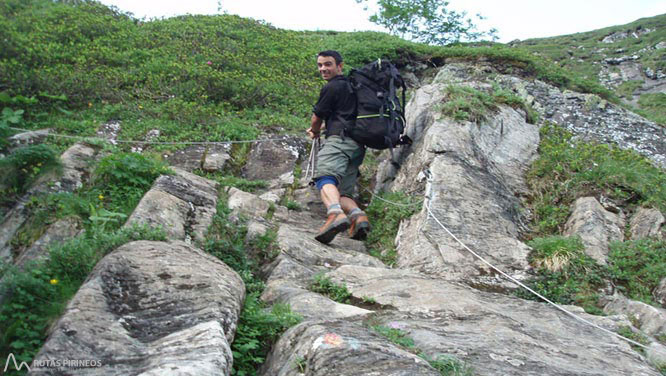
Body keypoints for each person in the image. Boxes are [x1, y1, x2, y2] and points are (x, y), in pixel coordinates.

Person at [307, 50, 370, 244]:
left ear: (339, 66)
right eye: (320, 65)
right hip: (358, 145)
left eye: (328, 64)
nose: (323, 69)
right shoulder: (355, 87)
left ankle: (335, 214)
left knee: (325, 178)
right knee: (343, 192)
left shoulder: (332, 87)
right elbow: (346, 114)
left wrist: (315, 131)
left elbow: (317, 116)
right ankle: (358, 217)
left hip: (339, 141)